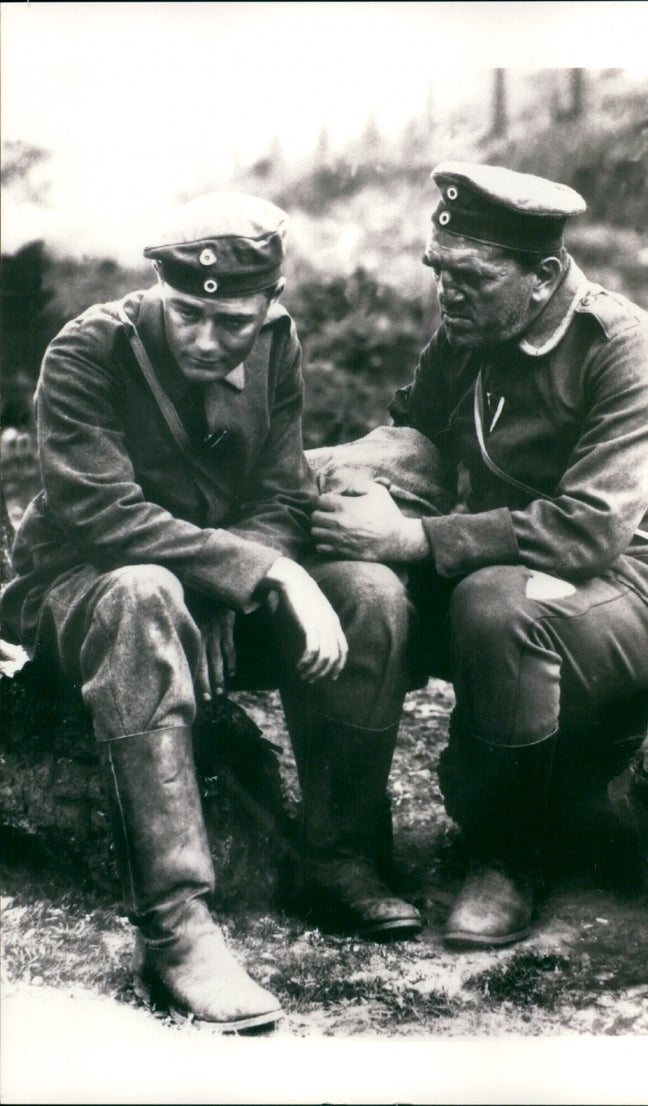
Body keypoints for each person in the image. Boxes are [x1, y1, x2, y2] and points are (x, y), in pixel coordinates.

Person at [1, 191, 423, 1033]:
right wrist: (253, 570)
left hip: (199, 591)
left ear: (267, 304)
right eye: (186, 313)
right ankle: (176, 927)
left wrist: (246, 580)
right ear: (158, 290)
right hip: (86, 596)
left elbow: (278, 492)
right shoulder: (89, 349)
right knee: (145, 591)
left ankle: (334, 856)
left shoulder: (277, 347)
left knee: (366, 593)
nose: (205, 338)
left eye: (230, 320)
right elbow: (102, 515)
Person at [310, 161, 648, 949]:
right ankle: (346, 849)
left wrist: (412, 537)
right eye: (439, 270)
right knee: (364, 583)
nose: (447, 292)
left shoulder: (630, 352)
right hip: (510, 567)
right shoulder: (471, 331)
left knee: (495, 604)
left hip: (638, 590)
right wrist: (334, 473)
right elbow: (419, 435)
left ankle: (508, 853)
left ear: (544, 275)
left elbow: (590, 529)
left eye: (470, 275)